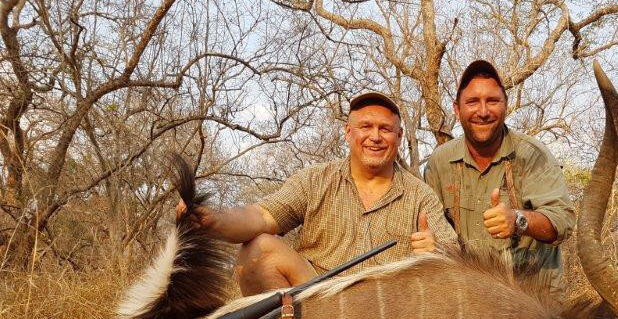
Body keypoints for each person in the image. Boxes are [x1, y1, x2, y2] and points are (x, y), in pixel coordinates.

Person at [179, 92, 458, 295]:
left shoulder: (420, 195)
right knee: (259, 250)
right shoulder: (315, 180)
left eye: (385, 129)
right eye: (365, 127)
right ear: (348, 133)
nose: (375, 137)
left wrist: (437, 250)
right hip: (316, 302)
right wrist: (213, 221)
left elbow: (455, 254)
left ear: (398, 137)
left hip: (386, 313)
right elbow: (263, 216)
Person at [424, 60, 576, 290]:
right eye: (473, 102)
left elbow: (562, 222)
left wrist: (518, 220)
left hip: (534, 301)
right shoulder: (439, 162)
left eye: (492, 101)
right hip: (470, 299)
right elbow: (432, 229)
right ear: (457, 109)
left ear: (506, 105)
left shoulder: (533, 155)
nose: (483, 112)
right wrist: (429, 244)